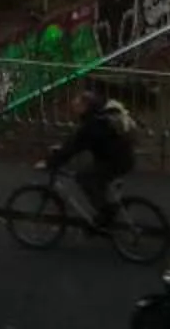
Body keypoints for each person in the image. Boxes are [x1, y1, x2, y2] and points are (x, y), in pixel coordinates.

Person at [46, 83, 138, 227]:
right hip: (122, 156)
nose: (74, 109)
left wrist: (51, 162)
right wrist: (63, 149)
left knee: (84, 178)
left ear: (85, 106)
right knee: (92, 175)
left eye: (77, 105)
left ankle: (105, 215)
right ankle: (106, 208)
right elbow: (77, 141)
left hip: (115, 161)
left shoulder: (94, 123)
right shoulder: (100, 115)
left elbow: (76, 145)